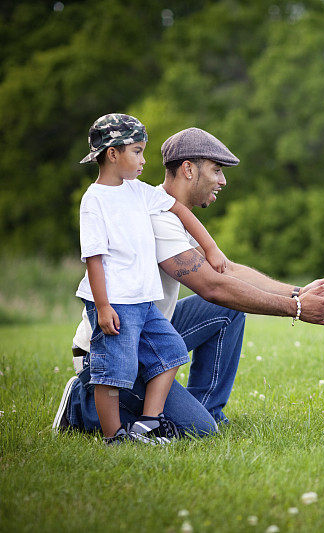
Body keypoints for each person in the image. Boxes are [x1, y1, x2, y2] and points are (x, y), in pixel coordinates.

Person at [53, 127, 324, 438]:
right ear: (188, 169)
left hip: (147, 331)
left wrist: (297, 293)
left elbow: (227, 273)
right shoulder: (155, 217)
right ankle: (83, 402)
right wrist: (297, 308)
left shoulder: (168, 210)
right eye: (216, 170)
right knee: (198, 431)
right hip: (115, 340)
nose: (223, 181)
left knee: (229, 311)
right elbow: (213, 287)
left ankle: (205, 409)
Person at [76, 114, 227, 444]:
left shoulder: (138, 191)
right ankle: (108, 431)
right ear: (113, 154)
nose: (145, 160)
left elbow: (179, 209)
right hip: (115, 301)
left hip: (143, 302)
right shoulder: (94, 201)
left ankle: (149, 423)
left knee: (172, 350)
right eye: (137, 151)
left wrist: (210, 247)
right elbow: (94, 259)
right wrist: (102, 306)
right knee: (116, 370)